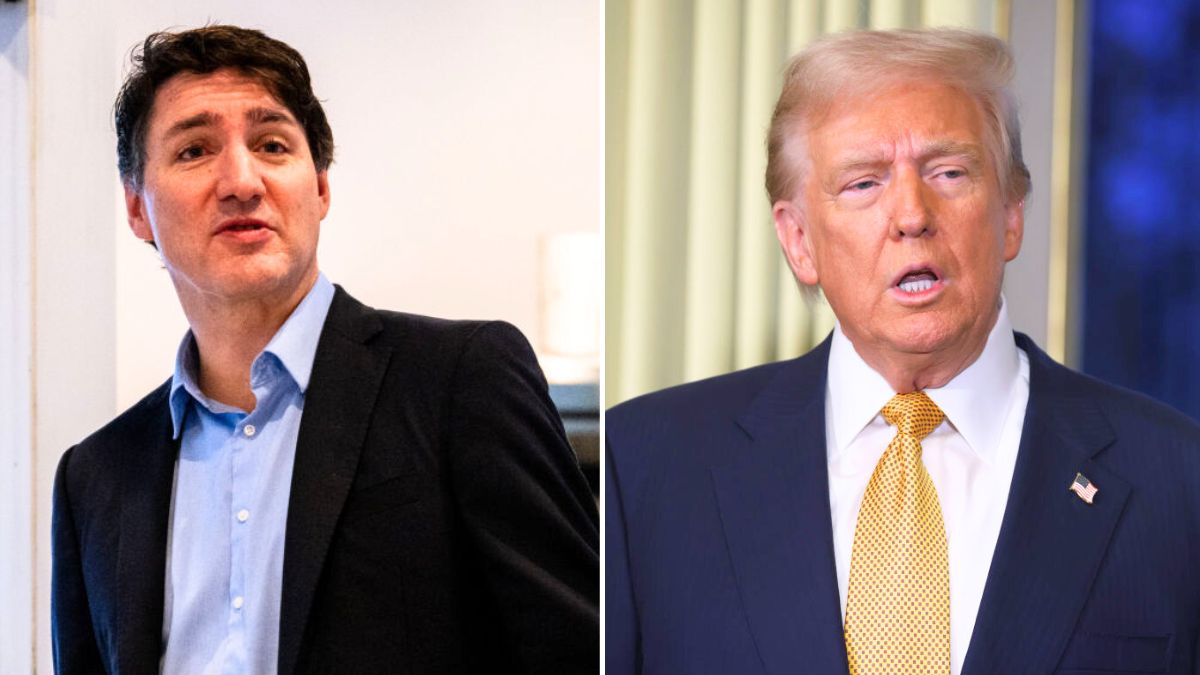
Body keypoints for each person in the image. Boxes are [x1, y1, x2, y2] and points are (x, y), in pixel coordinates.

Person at [605, 28, 1200, 675]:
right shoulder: (646, 467)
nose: (912, 214)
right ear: (799, 239)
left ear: (1010, 214)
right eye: (864, 183)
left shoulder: (1177, 480)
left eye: (949, 172)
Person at [52, 25, 598, 675]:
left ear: (320, 187)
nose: (241, 180)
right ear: (137, 208)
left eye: (272, 144)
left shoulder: (461, 379)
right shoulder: (95, 476)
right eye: (195, 150)